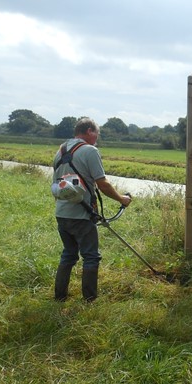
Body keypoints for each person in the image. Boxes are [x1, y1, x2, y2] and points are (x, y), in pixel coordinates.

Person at [52, 117, 132, 302]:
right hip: (81, 215)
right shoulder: (90, 151)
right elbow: (102, 184)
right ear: (89, 131)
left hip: (61, 213)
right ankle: (90, 300)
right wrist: (122, 199)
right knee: (91, 257)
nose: (97, 137)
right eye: (97, 133)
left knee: (69, 254)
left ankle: (59, 297)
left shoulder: (61, 150)